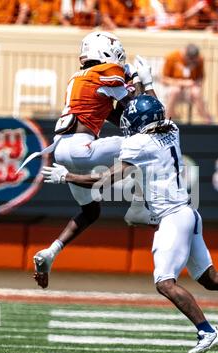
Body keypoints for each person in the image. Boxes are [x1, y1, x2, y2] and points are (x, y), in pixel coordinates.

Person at [42, 94, 218, 353]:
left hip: (173, 217)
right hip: (188, 212)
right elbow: (143, 116)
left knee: (165, 283)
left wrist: (66, 176)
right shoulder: (172, 129)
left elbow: (104, 179)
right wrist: (146, 86)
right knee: (211, 279)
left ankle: (207, 331)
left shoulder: (139, 144)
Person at [28, 32, 156, 289]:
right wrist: (140, 79)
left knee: (91, 210)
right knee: (148, 145)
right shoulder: (106, 71)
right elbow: (140, 110)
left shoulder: (81, 78)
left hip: (62, 151)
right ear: (106, 53)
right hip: (80, 148)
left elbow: (121, 117)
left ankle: (51, 252)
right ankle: (139, 208)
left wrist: (131, 84)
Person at [162, 44, 213, 124]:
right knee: (175, 91)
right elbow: (164, 79)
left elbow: (200, 78)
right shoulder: (172, 57)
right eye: (190, 59)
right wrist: (182, 83)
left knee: (196, 92)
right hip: (173, 88)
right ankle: (167, 120)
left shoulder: (199, 59)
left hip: (190, 90)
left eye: (193, 60)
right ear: (185, 53)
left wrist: (195, 84)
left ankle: (207, 121)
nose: (191, 61)